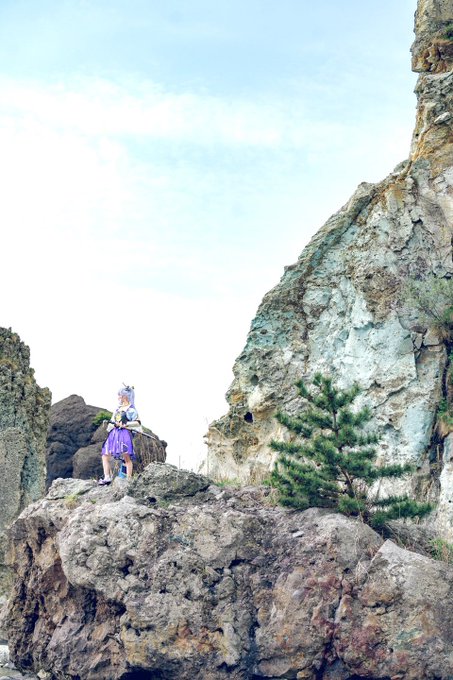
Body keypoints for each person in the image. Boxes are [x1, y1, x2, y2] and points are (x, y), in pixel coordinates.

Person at [98, 385, 141, 485]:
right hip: (114, 434)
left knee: (126, 457)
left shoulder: (131, 410)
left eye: (119, 395)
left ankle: (128, 479)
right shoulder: (118, 409)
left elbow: (138, 422)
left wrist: (125, 424)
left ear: (124, 396)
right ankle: (107, 477)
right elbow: (113, 421)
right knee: (105, 455)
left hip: (124, 434)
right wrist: (111, 428)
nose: (118, 397)